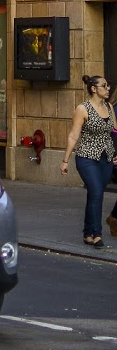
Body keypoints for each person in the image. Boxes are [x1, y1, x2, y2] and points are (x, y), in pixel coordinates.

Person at [60, 74, 117, 247]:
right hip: (87, 158)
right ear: (94, 88)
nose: (108, 89)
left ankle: (87, 233)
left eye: (108, 86)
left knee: (94, 194)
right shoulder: (82, 109)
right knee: (97, 193)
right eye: (104, 86)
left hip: (106, 159)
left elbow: (115, 131)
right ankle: (97, 234)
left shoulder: (109, 107)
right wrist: (65, 160)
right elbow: (73, 135)